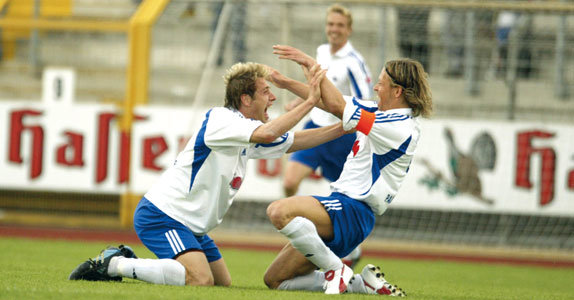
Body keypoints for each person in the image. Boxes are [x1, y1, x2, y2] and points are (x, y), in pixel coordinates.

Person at [68, 62, 349, 287]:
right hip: (164, 215)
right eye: (266, 91)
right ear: (245, 98)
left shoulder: (246, 133)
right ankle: (114, 264)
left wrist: (345, 127)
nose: (273, 97)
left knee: (221, 283)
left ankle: (127, 262)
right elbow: (270, 132)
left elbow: (294, 140)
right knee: (199, 280)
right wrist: (311, 101)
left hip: (192, 225)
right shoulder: (221, 120)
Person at [264, 45, 432, 295]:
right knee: (276, 280)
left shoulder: (399, 126)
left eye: (381, 83)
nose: (376, 88)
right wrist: (285, 82)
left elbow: (335, 106)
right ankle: (357, 283)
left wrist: (313, 64)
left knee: (278, 211)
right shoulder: (381, 114)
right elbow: (327, 101)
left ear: (397, 91)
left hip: (353, 211)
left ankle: (336, 268)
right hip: (343, 208)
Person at [282, 4, 372, 268]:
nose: (334, 29)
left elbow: (364, 102)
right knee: (289, 182)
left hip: (342, 134)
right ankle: (299, 237)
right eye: (331, 24)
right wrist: (299, 106)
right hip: (315, 127)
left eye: (340, 25)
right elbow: (316, 89)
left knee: (344, 197)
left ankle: (352, 249)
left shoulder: (355, 63)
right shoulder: (321, 52)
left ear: (349, 29)